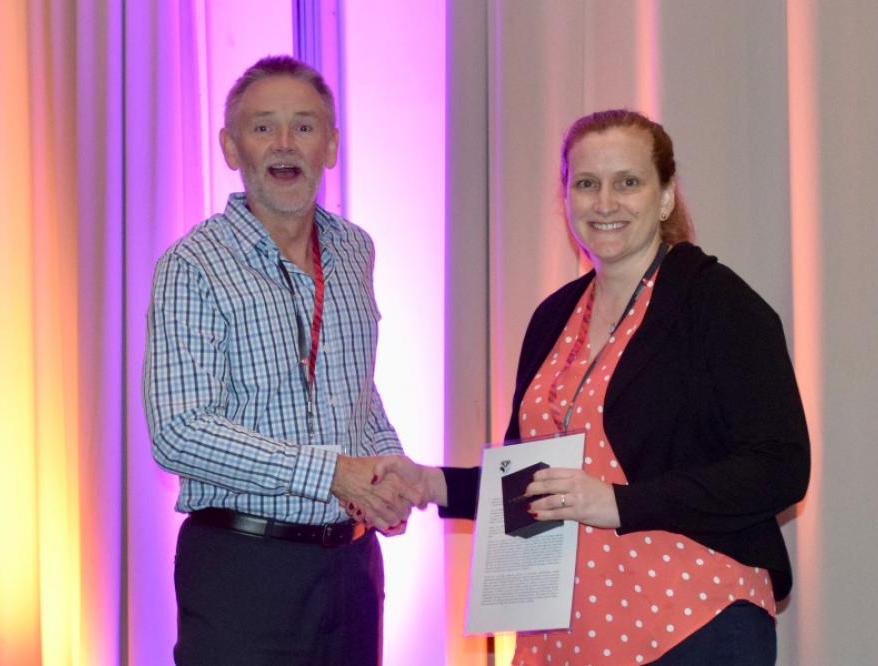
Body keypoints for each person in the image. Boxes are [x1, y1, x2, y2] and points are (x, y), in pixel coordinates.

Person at [374, 109, 811, 664]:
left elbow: (781, 466)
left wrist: (619, 503)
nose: (605, 203)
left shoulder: (719, 305)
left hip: (693, 623)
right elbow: (535, 483)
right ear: (566, 199)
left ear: (667, 196)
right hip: (566, 633)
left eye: (628, 182)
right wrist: (430, 483)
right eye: (587, 184)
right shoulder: (554, 316)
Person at [143, 55, 420, 666]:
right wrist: (328, 473)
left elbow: (355, 388)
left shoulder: (354, 249)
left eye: (304, 125)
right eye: (263, 126)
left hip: (353, 567)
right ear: (230, 146)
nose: (285, 143)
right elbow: (179, 432)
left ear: (332, 144)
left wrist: (386, 473)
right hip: (244, 571)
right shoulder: (192, 266)